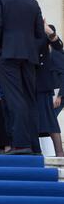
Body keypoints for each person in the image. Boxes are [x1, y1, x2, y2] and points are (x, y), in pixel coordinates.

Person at [0, 0, 46, 155]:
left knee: (14, 98)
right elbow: (40, 34)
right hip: (29, 57)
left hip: (7, 55)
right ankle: (34, 145)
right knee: (29, 98)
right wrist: (32, 52)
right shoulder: (32, 2)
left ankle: (20, 144)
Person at [36, 23, 64, 157]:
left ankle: (59, 153)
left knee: (50, 121)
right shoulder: (45, 51)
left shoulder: (57, 53)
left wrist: (59, 96)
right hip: (45, 90)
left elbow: (62, 75)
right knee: (43, 121)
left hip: (54, 93)